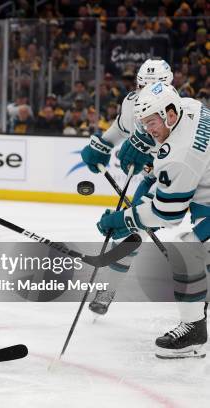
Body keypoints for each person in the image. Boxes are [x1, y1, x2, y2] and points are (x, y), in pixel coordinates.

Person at [96, 82, 208, 359]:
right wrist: (148, 152)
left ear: (170, 114)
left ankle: (194, 330)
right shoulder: (190, 106)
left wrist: (124, 219)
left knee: (187, 251)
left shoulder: (181, 157)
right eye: (144, 124)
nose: (148, 130)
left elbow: (168, 214)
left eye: (151, 123)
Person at [80, 59, 174, 315]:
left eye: (155, 85)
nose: (148, 90)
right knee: (131, 234)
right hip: (153, 179)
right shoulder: (132, 101)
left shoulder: (176, 111)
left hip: (179, 179)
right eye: (144, 84)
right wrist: (102, 145)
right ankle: (108, 288)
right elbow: (120, 128)